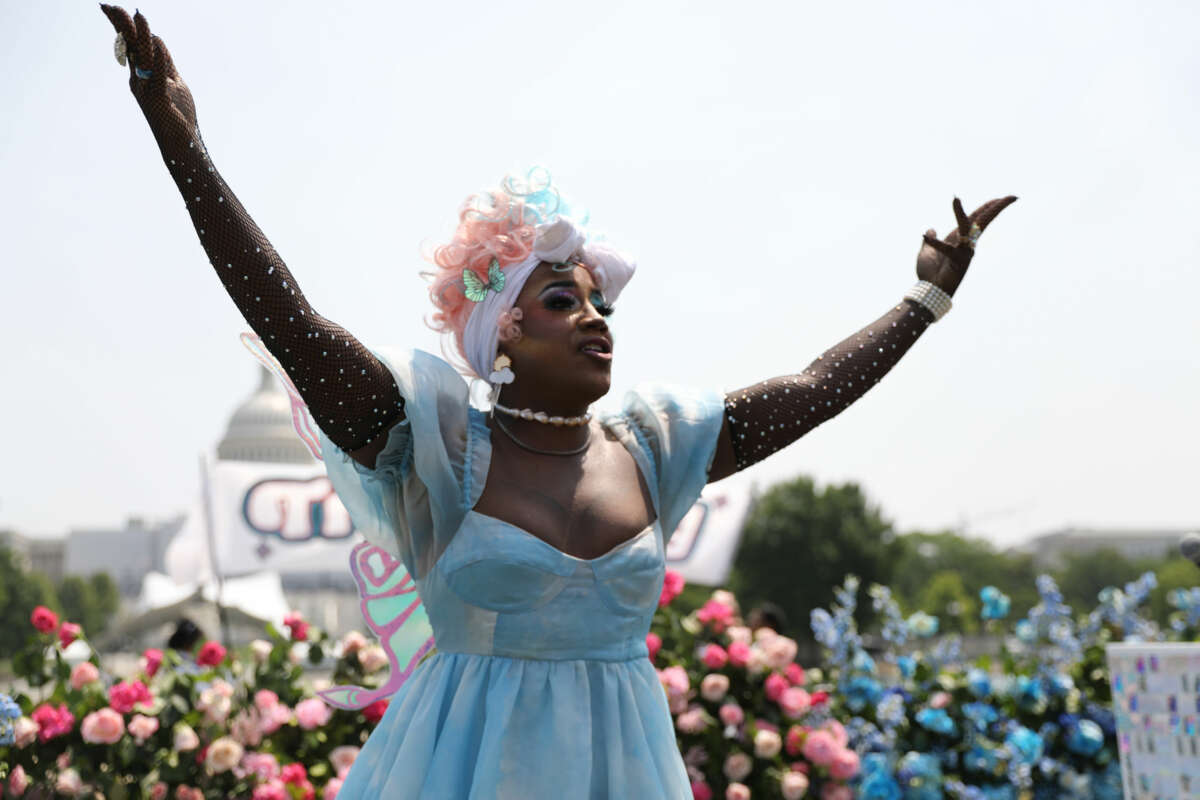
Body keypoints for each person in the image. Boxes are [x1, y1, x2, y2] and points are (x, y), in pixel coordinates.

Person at [99, 7, 1015, 798]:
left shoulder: (656, 447)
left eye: (601, 303)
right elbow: (292, 325)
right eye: (561, 301)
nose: (594, 319)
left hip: (622, 770)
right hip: (452, 770)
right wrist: (187, 150)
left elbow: (815, 390)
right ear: (500, 332)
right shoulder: (437, 441)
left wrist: (927, 299)